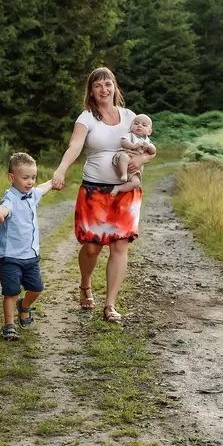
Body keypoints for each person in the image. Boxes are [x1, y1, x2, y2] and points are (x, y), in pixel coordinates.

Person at [51, 67, 154, 323]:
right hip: (95, 189)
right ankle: (85, 283)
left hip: (126, 194)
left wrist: (140, 159)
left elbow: (150, 148)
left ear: (115, 87)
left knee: (120, 245)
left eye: (108, 84)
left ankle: (110, 305)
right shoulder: (86, 118)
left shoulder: (130, 116)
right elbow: (74, 146)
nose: (104, 90)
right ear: (91, 91)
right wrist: (61, 170)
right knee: (92, 247)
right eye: (98, 86)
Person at [0, 152, 54, 341]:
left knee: (36, 288)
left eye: (33, 177)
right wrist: (0, 214)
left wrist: (53, 181)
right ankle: (9, 325)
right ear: (12, 177)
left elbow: (42, 189)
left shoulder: (31, 194)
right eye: (25, 178)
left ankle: (24, 306)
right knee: (11, 291)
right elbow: (5, 208)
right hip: (10, 255)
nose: (30, 182)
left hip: (30, 254)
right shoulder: (10, 197)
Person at [111, 113, 156, 197]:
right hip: (126, 155)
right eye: (136, 124)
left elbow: (153, 151)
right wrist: (133, 146)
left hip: (134, 167)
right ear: (131, 127)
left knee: (136, 182)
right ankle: (124, 174)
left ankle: (118, 188)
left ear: (149, 131)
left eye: (144, 125)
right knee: (123, 156)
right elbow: (124, 142)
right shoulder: (130, 135)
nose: (139, 126)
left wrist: (149, 147)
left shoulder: (147, 140)